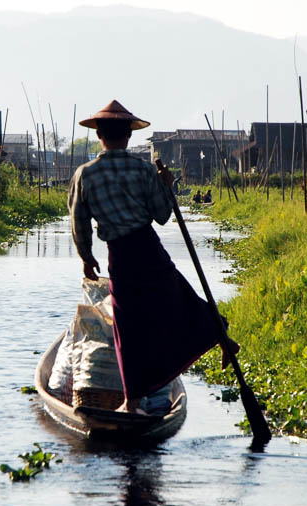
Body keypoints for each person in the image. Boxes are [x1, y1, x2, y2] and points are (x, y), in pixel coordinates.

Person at [68, 100, 232, 414]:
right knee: (178, 298)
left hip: (121, 254)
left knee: (128, 326)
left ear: (99, 135)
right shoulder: (143, 169)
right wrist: (167, 187)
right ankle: (221, 336)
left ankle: (131, 402)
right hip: (148, 246)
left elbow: (79, 221)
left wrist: (86, 257)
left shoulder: (85, 174)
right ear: (128, 136)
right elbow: (160, 216)